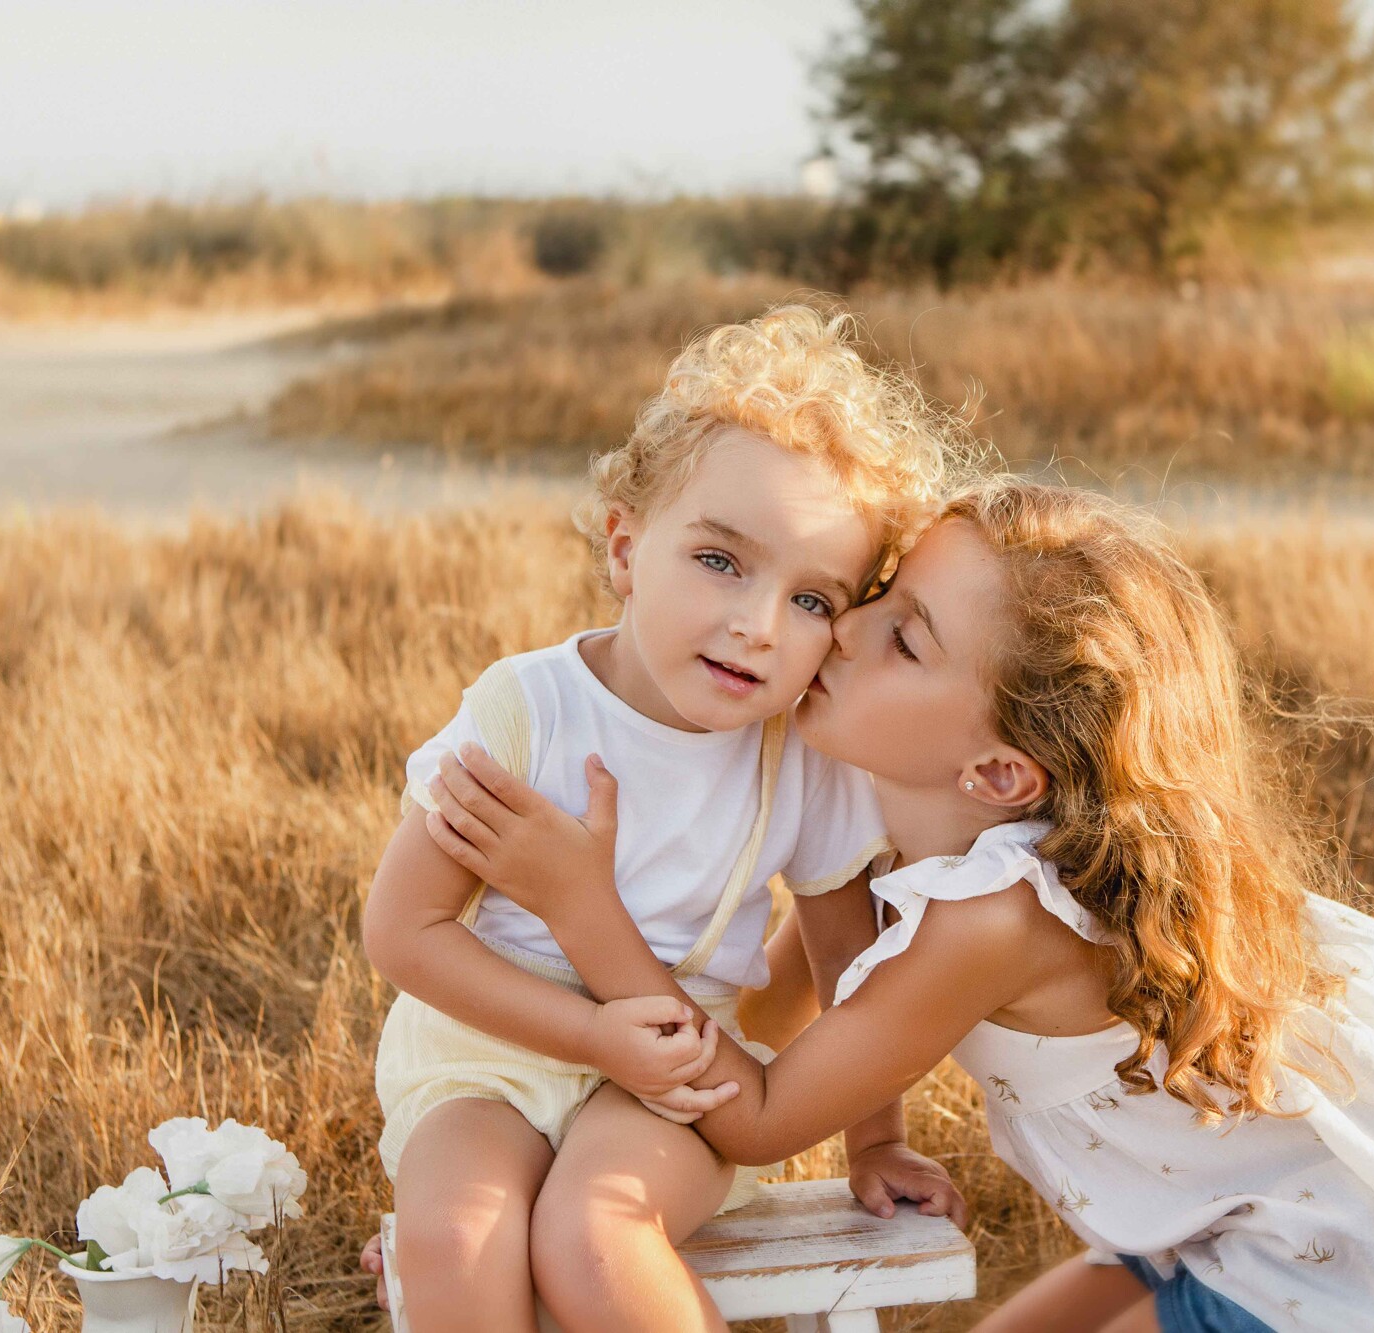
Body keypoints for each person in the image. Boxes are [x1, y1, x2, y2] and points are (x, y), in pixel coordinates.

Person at [431, 478, 1374, 1333]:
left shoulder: (995, 919)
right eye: (877, 593)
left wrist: (579, 905)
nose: (841, 625)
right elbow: (810, 964)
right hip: (1222, 1231)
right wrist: (869, 1135)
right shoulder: (925, 828)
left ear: (998, 774)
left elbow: (752, 1119)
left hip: (1335, 1285)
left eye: (902, 636)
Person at [361, 305, 974, 1333]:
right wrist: (590, 1033)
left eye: (812, 601)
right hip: (487, 1052)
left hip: (679, 1075)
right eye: (720, 561)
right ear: (625, 545)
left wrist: (873, 1142)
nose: (755, 625)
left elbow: (846, 970)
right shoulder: (526, 712)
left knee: (592, 1241)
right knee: (453, 1239)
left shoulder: (798, 753)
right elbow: (402, 931)